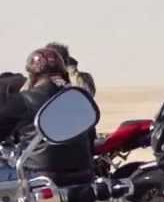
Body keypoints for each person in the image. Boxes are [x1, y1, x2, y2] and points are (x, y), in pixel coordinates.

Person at [0, 47, 95, 183]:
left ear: (32, 75)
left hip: (40, 177)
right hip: (85, 175)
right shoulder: (78, 97)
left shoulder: (25, 99)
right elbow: (91, 136)